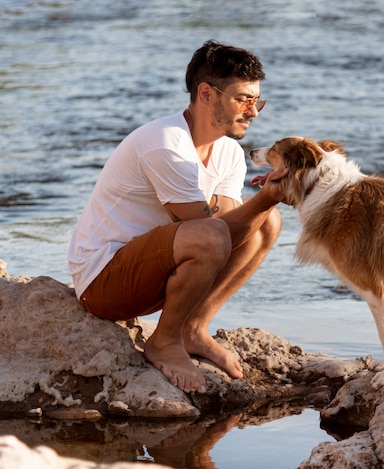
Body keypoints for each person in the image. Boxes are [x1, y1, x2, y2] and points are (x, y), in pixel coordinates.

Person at [68, 40, 288, 394]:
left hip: (154, 271)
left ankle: (192, 329)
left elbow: (236, 231)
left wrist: (267, 204)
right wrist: (265, 198)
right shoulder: (166, 143)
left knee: (266, 225)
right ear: (205, 94)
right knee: (213, 233)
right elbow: (209, 232)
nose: (254, 112)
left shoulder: (229, 151)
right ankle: (164, 341)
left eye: (257, 100)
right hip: (103, 282)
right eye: (243, 99)